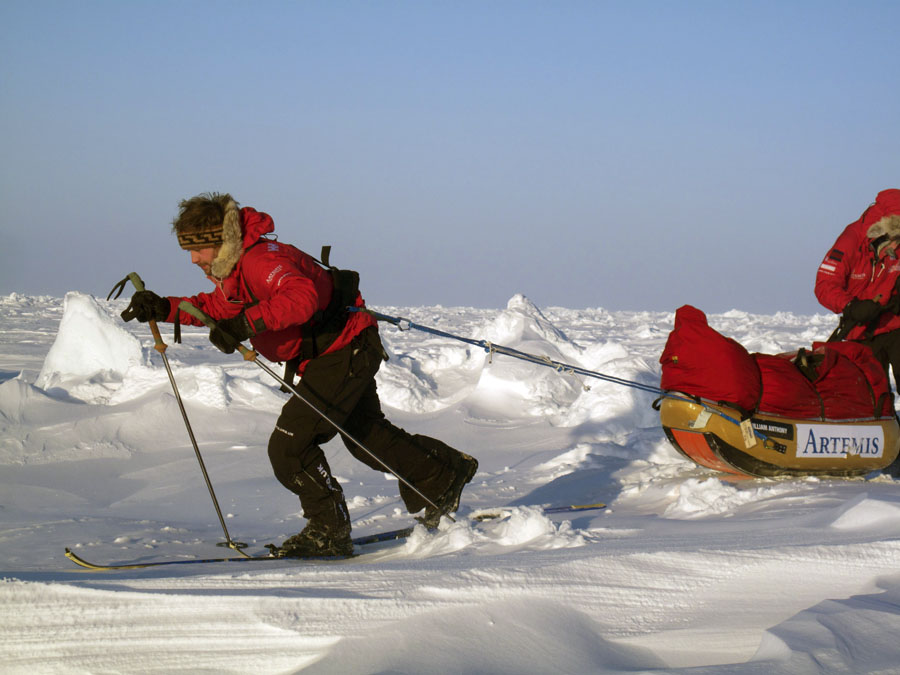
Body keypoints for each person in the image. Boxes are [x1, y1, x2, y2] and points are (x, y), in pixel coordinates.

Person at [121, 192, 478, 557]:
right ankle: (440, 475)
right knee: (364, 434)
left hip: (344, 350)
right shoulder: (232, 270)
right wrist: (164, 307)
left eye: (200, 250)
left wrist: (246, 324)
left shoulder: (260, 259)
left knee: (290, 447)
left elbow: (301, 296)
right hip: (340, 350)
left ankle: (329, 529)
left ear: (222, 241)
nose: (194, 259)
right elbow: (216, 306)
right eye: (189, 252)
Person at [815, 189, 900, 391]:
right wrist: (851, 305)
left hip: (895, 326)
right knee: (873, 396)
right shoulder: (851, 240)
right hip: (861, 331)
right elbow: (825, 285)